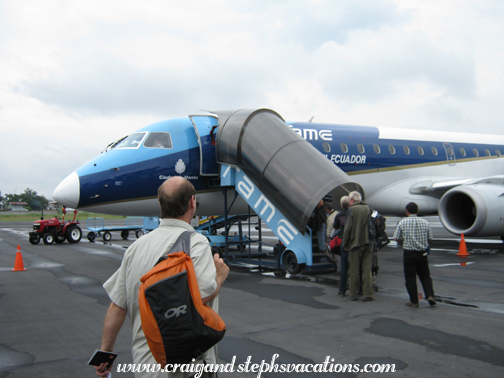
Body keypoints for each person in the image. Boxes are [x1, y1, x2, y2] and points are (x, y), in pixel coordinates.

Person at [94, 177, 230, 378]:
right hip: (184, 365)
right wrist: (219, 276)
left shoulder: (135, 248)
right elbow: (199, 298)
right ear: (192, 202)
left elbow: (118, 305)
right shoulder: (197, 243)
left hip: (146, 364)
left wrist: (105, 354)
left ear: (160, 205)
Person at [393, 202, 436, 308]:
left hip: (409, 253)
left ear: (407, 211)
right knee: (425, 276)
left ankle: (414, 301)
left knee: (410, 278)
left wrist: (404, 240)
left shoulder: (402, 223)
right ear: (417, 211)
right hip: (422, 253)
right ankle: (430, 295)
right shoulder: (425, 222)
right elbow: (430, 238)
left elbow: (396, 238)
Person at [342, 191, 374, 302]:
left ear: (351, 200)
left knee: (354, 270)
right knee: (367, 270)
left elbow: (348, 229)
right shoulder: (367, 208)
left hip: (355, 244)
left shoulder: (352, 210)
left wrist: (345, 244)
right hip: (367, 243)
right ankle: (368, 294)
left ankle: (354, 294)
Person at [333, 196, 350, 297]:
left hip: (344, 241)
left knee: (344, 267)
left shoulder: (339, 215)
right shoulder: (352, 213)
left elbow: (335, 228)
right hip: (353, 241)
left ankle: (342, 290)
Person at [324, 201, 338, 265]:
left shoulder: (329, 218)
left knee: (331, 250)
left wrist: (327, 241)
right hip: (340, 236)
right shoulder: (337, 213)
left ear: (327, 209)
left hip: (333, 237)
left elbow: (328, 231)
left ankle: (333, 261)